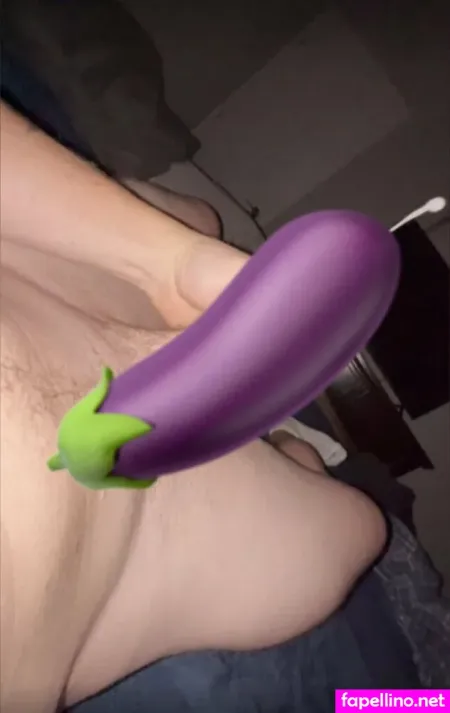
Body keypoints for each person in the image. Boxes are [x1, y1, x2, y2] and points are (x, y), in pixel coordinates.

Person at [0, 102, 386, 712]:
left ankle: (173, 267)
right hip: (112, 581)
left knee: (349, 528)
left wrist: (168, 261)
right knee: (353, 529)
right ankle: (178, 268)